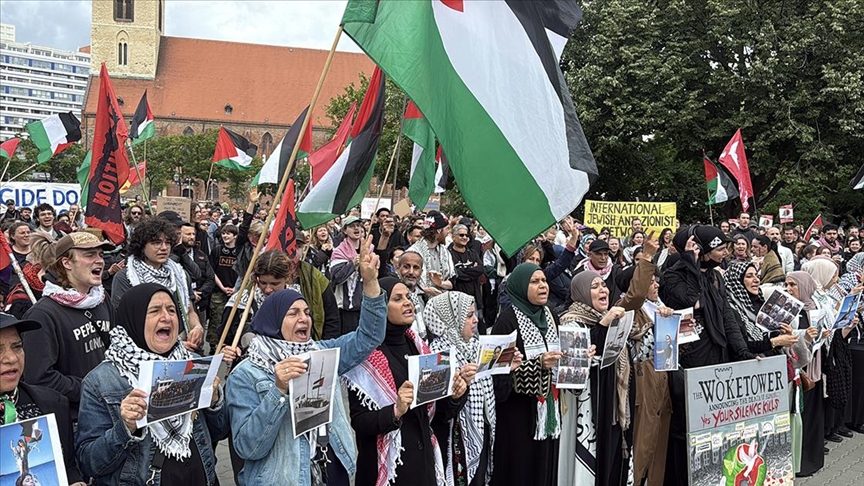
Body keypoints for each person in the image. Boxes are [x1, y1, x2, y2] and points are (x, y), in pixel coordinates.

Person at [227, 241, 386, 486]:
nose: (304, 319)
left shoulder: (321, 353)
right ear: (273, 321)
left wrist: (371, 282)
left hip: (332, 470)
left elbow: (369, 336)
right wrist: (278, 390)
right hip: (285, 477)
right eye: (293, 314)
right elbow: (248, 447)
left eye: (307, 313)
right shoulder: (246, 374)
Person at [76, 284, 228, 485]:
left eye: (171, 310)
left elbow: (220, 431)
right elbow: (89, 463)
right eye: (154, 311)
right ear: (134, 319)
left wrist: (214, 402)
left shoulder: (193, 363)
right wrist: (126, 428)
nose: (166, 317)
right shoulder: (102, 381)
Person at [345, 277, 469, 486]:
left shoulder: (420, 348)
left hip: (422, 464)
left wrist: (455, 395)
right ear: (379, 308)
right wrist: (395, 410)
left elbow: (438, 414)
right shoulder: (364, 356)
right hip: (388, 469)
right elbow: (360, 421)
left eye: (409, 298)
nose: (408, 303)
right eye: (397, 298)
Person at [425, 291, 523, 486]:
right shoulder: (436, 354)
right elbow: (435, 412)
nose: (476, 320)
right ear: (451, 319)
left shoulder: (475, 347)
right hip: (453, 439)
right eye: (468, 315)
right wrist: (460, 387)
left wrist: (506, 369)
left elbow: (497, 396)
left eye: (474, 314)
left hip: (481, 434)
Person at [21, 232, 115, 422]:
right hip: (75, 421)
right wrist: (91, 389)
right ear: (67, 263)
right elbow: (39, 378)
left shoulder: (102, 301)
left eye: (100, 255)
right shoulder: (43, 314)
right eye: (90, 255)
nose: (99, 261)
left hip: (110, 411)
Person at [490, 264, 563, 486]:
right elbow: (496, 374)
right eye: (534, 282)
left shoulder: (550, 315)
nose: (543, 286)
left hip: (547, 409)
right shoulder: (507, 322)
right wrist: (538, 364)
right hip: (517, 415)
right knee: (519, 470)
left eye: (544, 281)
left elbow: (558, 356)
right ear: (521, 287)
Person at [559, 272, 629, 486]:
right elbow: (572, 377)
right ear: (581, 293)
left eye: (604, 285)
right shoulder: (570, 323)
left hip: (610, 406)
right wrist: (602, 326)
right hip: (586, 408)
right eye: (595, 286)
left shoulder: (608, 317)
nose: (603, 290)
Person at [0, 312, 85, 484]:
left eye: (17, 346)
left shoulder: (53, 404)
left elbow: (68, 467)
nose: (11, 358)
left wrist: (75, 481)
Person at [111, 218, 205, 352]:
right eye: (156, 243)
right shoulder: (125, 278)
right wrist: (169, 344)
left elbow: (189, 310)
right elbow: (125, 323)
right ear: (142, 246)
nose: (164, 248)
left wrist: (197, 327)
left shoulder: (180, 275)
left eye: (168, 242)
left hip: (182, 350)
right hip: (142, 353)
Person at [330, 216, 372, 335]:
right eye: (352, 226)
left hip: (365, 307)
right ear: (344, 230)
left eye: (358, 225)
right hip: (347, 310)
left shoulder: (369, 249)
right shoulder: (339, 251)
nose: (356, 228)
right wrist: (353, 264)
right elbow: (336, 278)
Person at [408, 211, 455, 297]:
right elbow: (406, 282)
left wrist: (440, 283)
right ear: (439, 230)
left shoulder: (445, 251)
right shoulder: (413, 252)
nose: (448, 232)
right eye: (446, 229)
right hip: (420, 303)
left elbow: (453, 282)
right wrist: (426, 290)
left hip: (442, 302)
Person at [207, 224, 238, 352]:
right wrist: (222, 287)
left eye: (228, 233)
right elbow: (211, 271)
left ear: (235, 236)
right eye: (223, 233)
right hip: (219, 291)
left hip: (236, 291)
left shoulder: (240, 252)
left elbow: (245, 272)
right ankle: (213, 346)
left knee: (233, 318)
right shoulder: (217, 250)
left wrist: (235, 288)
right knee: (216, 318)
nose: (225, 236)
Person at [569, 239, 622, 309]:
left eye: (605, 254)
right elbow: (571, 298)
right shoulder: (580, 273)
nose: (603, 258)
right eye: (599, 254)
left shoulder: (616, 272)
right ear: (590, 255)